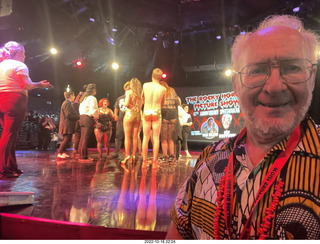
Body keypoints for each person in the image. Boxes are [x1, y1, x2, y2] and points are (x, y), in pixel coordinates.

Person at [166, 15, 320, 240]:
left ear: (312, 78)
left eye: (292, 67)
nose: (275, 86)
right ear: (236, 85)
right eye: (257, 70)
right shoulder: (209, 159)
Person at [0, 41, 53, 178]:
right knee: (9, 135)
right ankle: (2, 168)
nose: (24, 56)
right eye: (23, 53)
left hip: (2, 99)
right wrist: (39, 85)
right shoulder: (20, 65)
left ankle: (11, 166)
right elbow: (25, 85)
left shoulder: (1, 65)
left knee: (10, 134)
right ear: (16, 53)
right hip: (14, 100)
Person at [141, 68, 166, 168]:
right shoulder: (163, 89)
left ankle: (144, 162)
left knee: (145, 137)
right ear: (160, 78)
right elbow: (162, 103)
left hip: (147, 110)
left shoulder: (145, 85)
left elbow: (142, 98)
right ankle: (154, 163)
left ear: (152, 75)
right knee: (155, 138)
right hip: (156, 111)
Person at [121, 78, 142, 164]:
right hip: (137, 115)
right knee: (135, 136)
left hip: (129, 114)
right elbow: (140, 106)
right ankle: (133, 155)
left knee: (127, 136)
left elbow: (126, 104)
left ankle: (127, 155)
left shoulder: (129, 92)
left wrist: (122, 102)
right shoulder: (141, 94)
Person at [159, 81, 180, 163]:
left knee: (164, 137)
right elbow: (177, 102)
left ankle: (165, 156)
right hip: (173, 113)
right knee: (170, 137)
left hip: (164, 113)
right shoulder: (172, 90)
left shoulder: (160, 90)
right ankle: (172, 155)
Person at [109, 82, 130, 159]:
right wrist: (115, 115)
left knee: (128, 137)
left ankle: (128, 153)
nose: (129, 89)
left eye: (130, 87)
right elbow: (116, 107)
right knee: (118, 136)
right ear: (125, 88)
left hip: (129, 119)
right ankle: (116, 152)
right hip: (121, 119)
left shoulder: (132, 97)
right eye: (128, 87)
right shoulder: (120, 98)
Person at [78, 83, 99, 160]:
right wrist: (95, 116)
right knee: (85, 138)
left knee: (82, 138)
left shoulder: (83, 98)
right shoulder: (92, 98)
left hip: (82, 118)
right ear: (93, 90)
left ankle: (82, 155)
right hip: (87, 119)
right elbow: (94, 109)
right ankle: (83, 156)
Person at [57, 91, 79, 159]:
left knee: (66, 139)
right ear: (70, 96)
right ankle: (59, 153)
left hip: (66, 125)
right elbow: (68, 115)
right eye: (73, 95)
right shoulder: (67, 103)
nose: (74, 97)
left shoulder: (67, 103)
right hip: (67, 125)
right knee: (66, 139)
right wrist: (78, 117)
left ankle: (63, 152)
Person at [72, 91, 84, 157]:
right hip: (78, 121)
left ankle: (77, 150)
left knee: (79, 136)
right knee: (77, 136)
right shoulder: (76, 104)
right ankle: (76, 150)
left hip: (79, 120)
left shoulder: (77, 104)